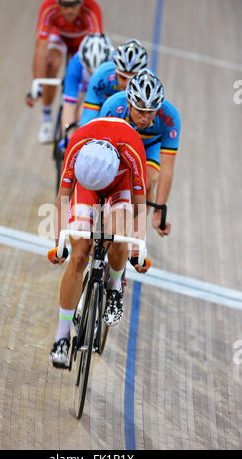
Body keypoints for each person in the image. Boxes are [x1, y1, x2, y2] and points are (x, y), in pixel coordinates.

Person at [47, 117, 150, 368]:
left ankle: (114, 287)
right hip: (87, 183)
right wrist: (58, 243)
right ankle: (61, 338)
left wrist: (137, 250)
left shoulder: (133, 148)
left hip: (121, 182)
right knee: (79, 255)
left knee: (117, 234)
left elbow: (139, 207)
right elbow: (63, 196)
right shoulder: (77, 145)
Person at [99, 69, 181, 237]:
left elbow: (167, 169)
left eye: (150, 112)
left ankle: (134, 231)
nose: (145, 118)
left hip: (150, 146)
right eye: (140, 111)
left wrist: (159, 210)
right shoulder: (113, 107)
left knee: (147, 181)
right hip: (121, 143)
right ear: (129, 103)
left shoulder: (170, 116)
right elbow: (100, 155)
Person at [26, 0, 103, 144]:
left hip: (83, 41)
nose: (69, 10)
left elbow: (95, 48)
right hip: (59, 36)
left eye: (74, 4)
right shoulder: (48, 7)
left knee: (84, 73)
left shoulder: (92, 9)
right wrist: (38, 85)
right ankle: (47, 118)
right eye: (65, 5)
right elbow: (41, 49)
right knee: (50, 64)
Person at [80, 39, 148, 127]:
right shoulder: (102, 74)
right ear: (115, 72)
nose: (127, 84)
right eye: (123, 77)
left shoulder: (149, 84)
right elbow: (88, 115)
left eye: (132, 78)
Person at [60, 33, 113, 143]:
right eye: (90, 71)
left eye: (98, 71)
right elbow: (69, 105)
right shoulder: (75, 64)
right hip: (84, 89)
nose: (94, 76)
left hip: (106, 91)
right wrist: (68, 139)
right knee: (80, 113)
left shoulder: (115, 64)